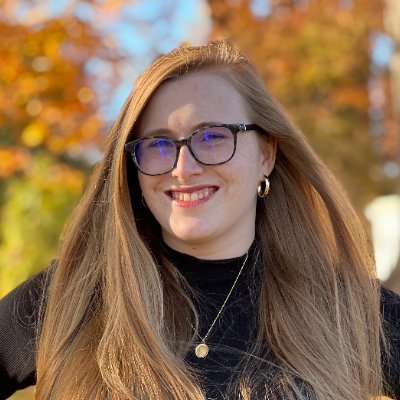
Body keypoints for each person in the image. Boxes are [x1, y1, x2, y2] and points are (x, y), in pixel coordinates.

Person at [0, 40, 399, 400]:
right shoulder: (74, 295)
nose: (183, 168)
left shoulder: (345, 307)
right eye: (158, 145)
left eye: (212, 137)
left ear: (266, 154)